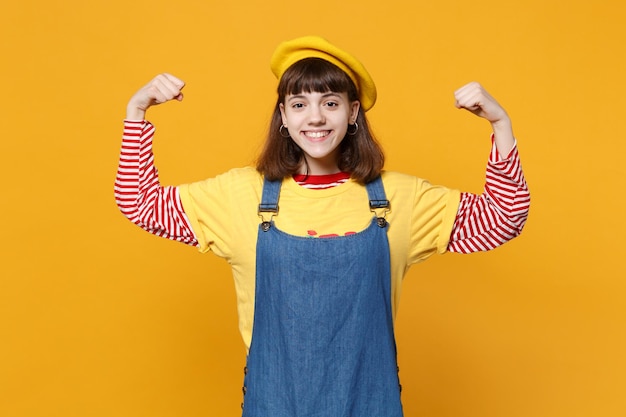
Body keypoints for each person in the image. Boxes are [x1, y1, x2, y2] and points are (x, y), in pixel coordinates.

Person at [115, 36, 529, 416]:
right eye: (299, 104)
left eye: (330, 103)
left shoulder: (401, 200)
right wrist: (137, 110)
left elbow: (503, 218)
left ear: (352, 113)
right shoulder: (238, 196)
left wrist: (501, 124)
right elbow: (140, 202)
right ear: (284, 115)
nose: (315, 117)